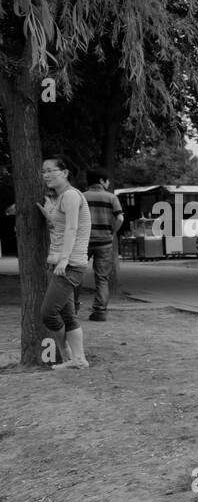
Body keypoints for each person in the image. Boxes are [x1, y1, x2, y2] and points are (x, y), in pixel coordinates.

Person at [38, 155, 91, 369]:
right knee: (68, 315)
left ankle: (65, 353)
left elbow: (72, 228)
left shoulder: (70, 195)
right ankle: (79, 360)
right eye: (44, 171)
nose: (46, 175)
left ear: (65, 172)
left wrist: (64, 259)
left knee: (48, 313)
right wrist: (48, 214)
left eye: (51, 170)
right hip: (64, 263)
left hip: (70, 264)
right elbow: (61, 227)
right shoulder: (61, 198)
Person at [83, 168, 123, 322]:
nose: (109, 183)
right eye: (107, 180)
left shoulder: (81, 196)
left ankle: (72, 307)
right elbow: (119, 218)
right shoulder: (111, 197)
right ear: (101, 180)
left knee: (75, 274)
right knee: (102, 278)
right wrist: (112, 231)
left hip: (83, 242)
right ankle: (100, 311)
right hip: (104, 243)